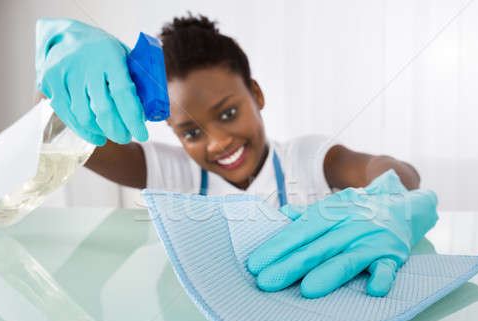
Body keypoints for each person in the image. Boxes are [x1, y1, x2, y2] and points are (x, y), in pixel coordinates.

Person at [36, 14, 429, 298]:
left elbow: (396, 171)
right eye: (191, 131)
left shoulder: (309, 159)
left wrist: (387, 199)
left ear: (256, 94)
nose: (217, 142)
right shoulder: (175, 174)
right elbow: (62, 130)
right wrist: (60, 71)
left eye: (227, 114)